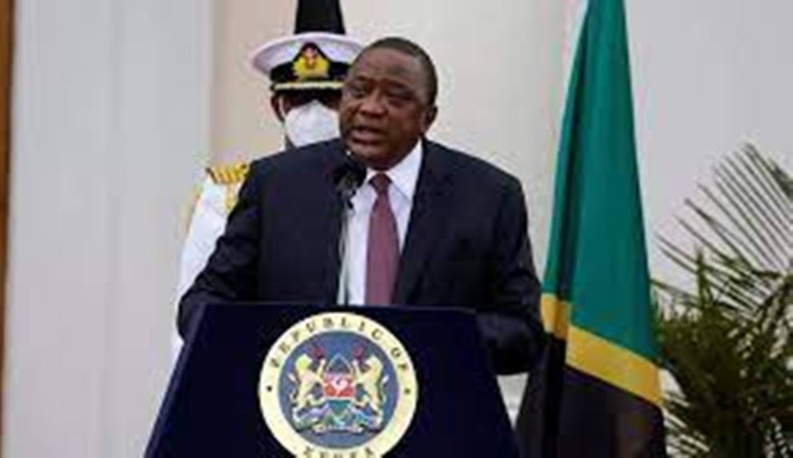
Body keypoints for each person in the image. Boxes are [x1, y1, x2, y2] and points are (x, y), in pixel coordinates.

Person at [178, 37, 544, 374]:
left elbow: (523, 333)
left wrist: (432, 340)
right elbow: (202, 302)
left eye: (395, 98)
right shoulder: (275, 185)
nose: (370, 108)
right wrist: (276, 342)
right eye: (359, 91)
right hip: (300, 404)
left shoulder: (488, 197)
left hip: (432, 411)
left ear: (427, 118)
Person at [176, 0, 364, 298]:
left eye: (329, 98)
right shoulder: (227, 194)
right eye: (299, 99)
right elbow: (197, 306)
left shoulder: (377, 187)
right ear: (278, 107)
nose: (313, 111)